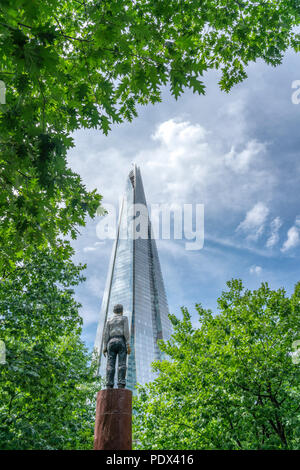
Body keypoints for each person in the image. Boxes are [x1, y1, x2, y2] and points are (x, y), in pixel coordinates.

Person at [103, 304, 131, 389]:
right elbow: (126, 331)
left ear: (114, 311)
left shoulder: (109, 319)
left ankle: (109, 384)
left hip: (110, 342)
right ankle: (121, 384)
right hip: (121, 341)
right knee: (122, 363)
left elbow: (106, 334)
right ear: (122, 311)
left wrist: (105, 346)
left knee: (110, 364)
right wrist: (128, 344)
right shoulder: (124, 318)